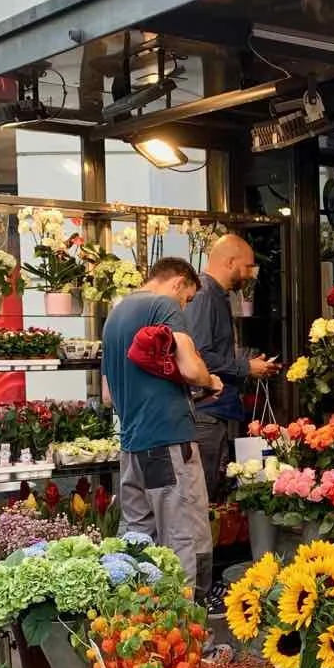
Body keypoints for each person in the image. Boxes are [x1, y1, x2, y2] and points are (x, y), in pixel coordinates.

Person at [101, 257, 220, 599]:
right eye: (189, 298)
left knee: (139, 539)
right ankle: (189, 634)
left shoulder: (115, 315)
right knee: (185, 536)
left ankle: (141, 625)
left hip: (133, 446)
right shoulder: (164, 304)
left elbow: (108, 395)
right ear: (179, 283)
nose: (186, 306)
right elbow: (192, 369)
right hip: (169, 441)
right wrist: (210, 381)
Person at [184, 233, 280, 498]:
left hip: (214, 411)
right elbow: (200, 355)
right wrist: (246, 368)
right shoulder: (205, 295)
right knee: (203, 495)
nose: (251, 274)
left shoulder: (216, 295)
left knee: (212, 489)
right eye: (248, 266)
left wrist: (246, 363)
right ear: (229, 262)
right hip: (206, 410)